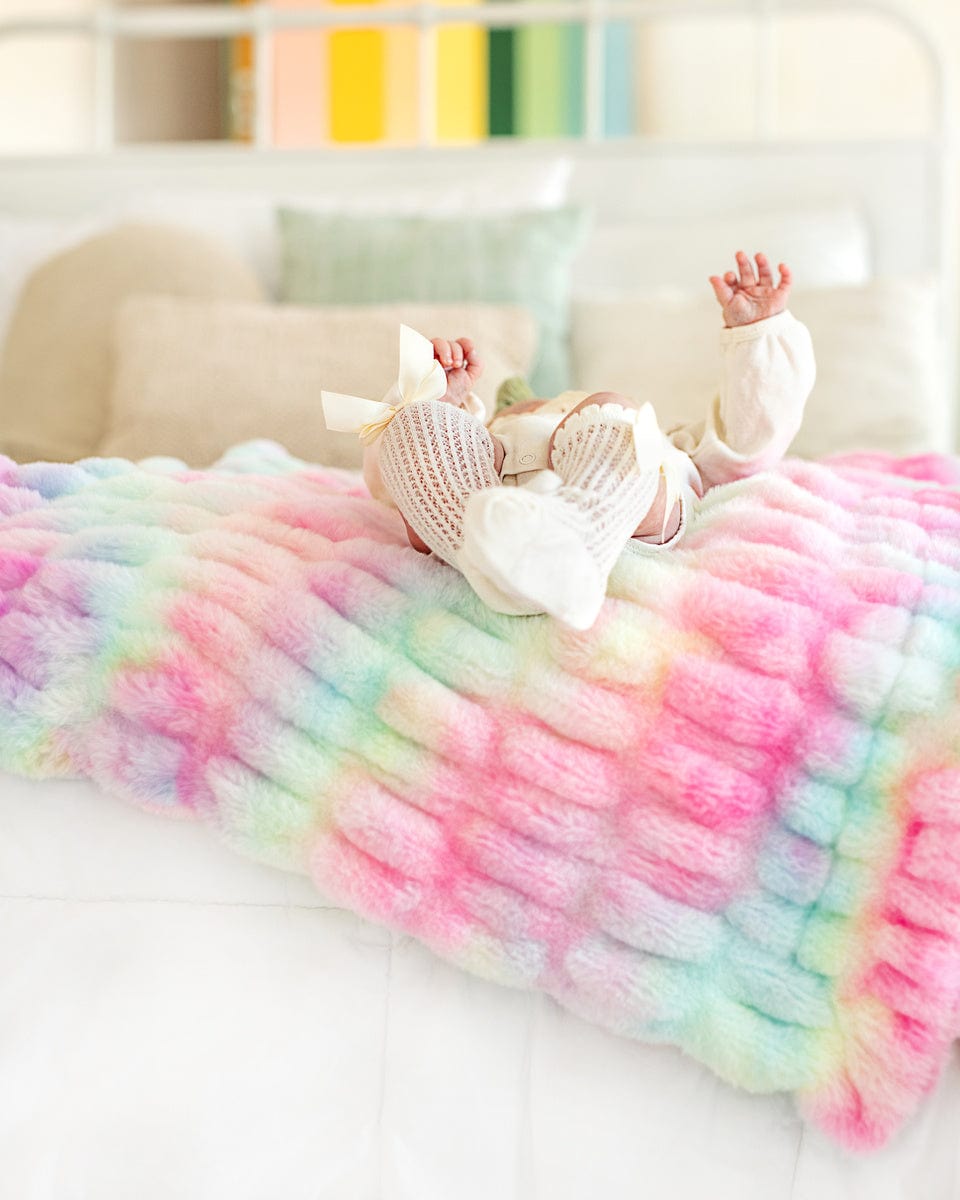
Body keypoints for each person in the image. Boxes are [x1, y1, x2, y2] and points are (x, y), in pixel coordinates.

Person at [323, 251, 816, 630]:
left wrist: (759, 337)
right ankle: (491, 557)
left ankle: (574, 545)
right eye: (527, 407)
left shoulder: (652, 435)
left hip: (614, 505)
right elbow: (391, 480)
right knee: (413, 426)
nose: (543, 410)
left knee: (617, 414)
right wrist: (439, 401)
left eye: (550, 406)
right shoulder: (486, 438)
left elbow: (748, 439)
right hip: (485, 502)